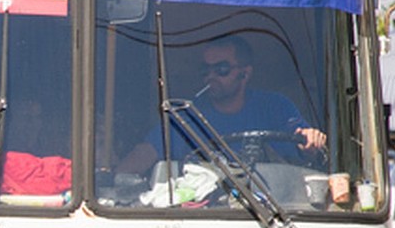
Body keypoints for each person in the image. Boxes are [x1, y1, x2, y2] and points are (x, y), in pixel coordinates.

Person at [118, 35, 326, 174]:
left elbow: (302, 138)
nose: (211, 76)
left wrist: (310, 140)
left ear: (245, 74)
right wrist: (112, 179)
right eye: (205, 70)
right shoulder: (188, 116)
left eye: (222, 69)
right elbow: (147, 152)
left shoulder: (276, 106)